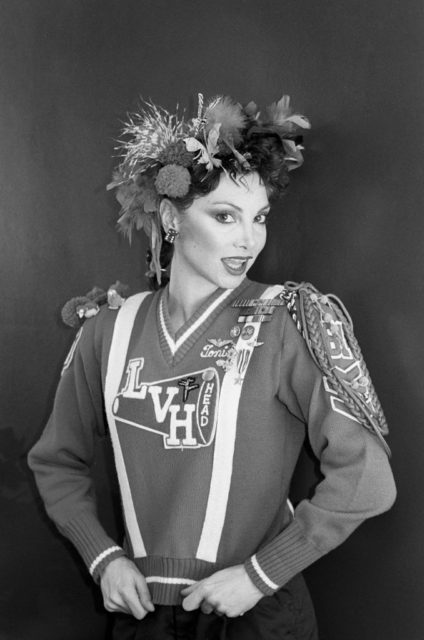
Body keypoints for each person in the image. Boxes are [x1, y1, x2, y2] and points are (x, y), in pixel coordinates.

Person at [28, 94, 396, 640]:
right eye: (225, 216)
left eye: (259, 217)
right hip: (142, 618)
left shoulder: (288, 320)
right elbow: (57, 460)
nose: (248, 239)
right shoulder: (109, 328)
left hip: (255, 615)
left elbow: (368, 478)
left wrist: (261, 575)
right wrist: (103, 556)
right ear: (173, 217)